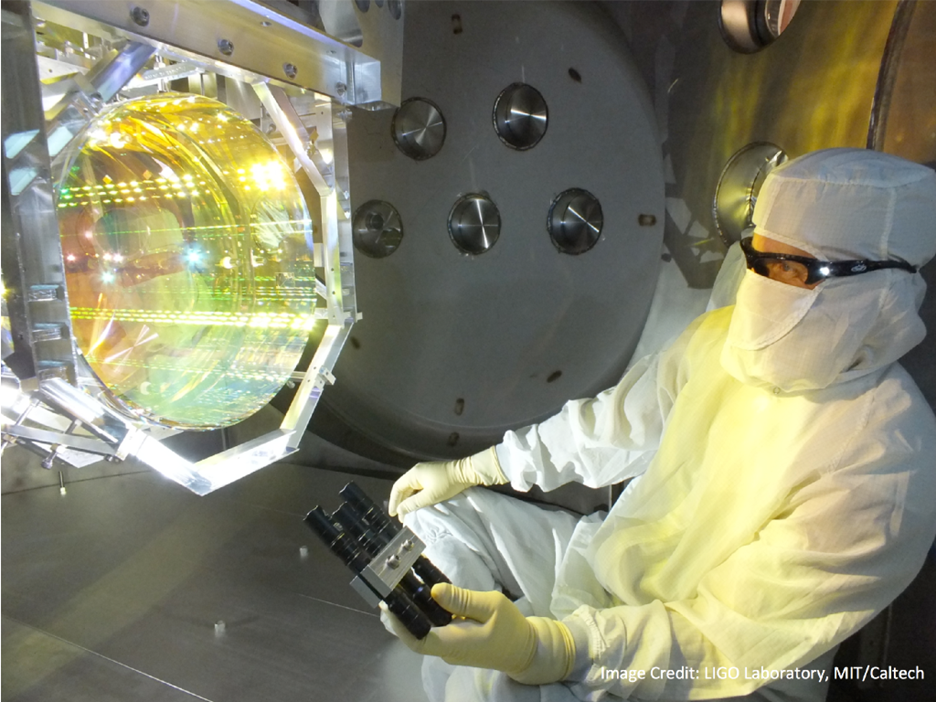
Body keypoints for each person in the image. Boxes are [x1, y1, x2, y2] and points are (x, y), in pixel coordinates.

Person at [380, 148, 936, 702]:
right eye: (759, 257)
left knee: (485, 690)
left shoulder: (886, 463)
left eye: (794, 269)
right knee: (430, 511)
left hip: (714, 674)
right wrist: (472, 468)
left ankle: (493, 657)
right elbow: (609, 429)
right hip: (616, 570)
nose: (764, 289)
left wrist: (548, 649)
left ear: (880, 288)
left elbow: (717, 636)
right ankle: (471, 632)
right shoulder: (722, 341)